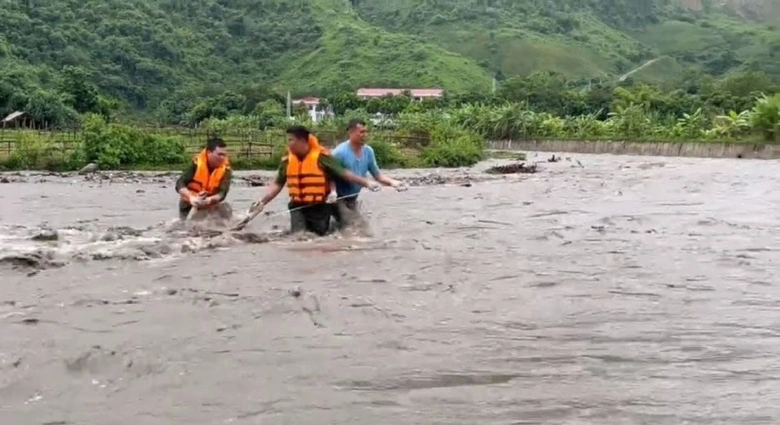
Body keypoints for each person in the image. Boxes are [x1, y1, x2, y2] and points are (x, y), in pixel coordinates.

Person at [250, 125, 380, 236]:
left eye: (291, 140)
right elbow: (277, 184)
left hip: (320, 207)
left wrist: (366, 183)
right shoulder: (288, 160)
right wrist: (262, 202)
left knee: (319, 237)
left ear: (302, 141)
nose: (288, 144)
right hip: (297, 206)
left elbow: (344, 174)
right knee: (298, 237)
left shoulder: (322, 157)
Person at [331, 119, 407, 227]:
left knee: (356, 225)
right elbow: (329, 175)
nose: (365, 135)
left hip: (352, 198)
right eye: (361, 132)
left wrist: (393, 183)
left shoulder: (368, 151)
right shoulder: (339, 152)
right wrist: (333, 191)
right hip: (337, 198)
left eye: (366, 132)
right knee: (354, 226)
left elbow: (378, 175)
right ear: (351, 132)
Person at [175, 137, 233, 222]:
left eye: (224, 155)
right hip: (191, 200)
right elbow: (180, 183)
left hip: (210, 201)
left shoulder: (226, 170)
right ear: (209, 152)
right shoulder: (196, 164)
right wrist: (191, 198)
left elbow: (222, 193)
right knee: (183, 224)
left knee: (225, 208)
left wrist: (209, 200)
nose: (222, 158)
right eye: (219, 154)